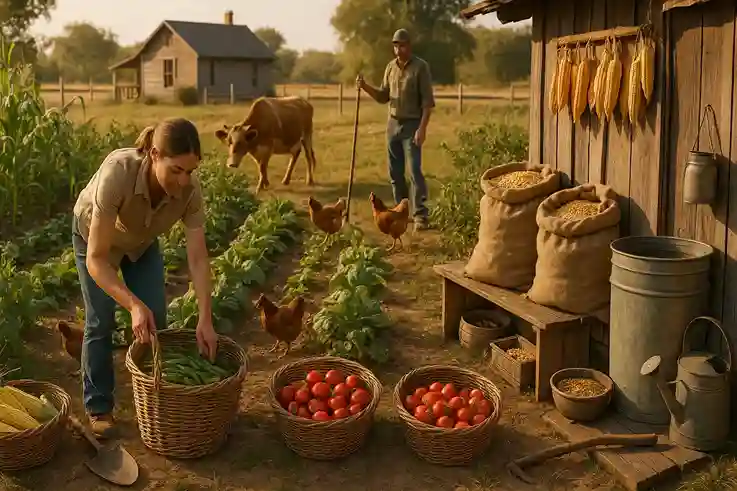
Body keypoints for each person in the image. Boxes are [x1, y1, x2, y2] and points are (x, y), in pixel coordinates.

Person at [72, 118, 218, 438]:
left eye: (190, 171)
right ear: (154, 155)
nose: (183, 180)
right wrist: (131, 304)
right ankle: (99, 406)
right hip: (98, 242)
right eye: (176, 170)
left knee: (156, 316)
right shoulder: (119, 173)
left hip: (141, 244)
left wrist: (205, 319)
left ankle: (156, 397)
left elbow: (197, 257)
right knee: (101, 320)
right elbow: (97, 260)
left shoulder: (189, 191)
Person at [356, 28, 436, 231]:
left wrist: (422, 129)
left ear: (409, 46)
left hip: (412, 125)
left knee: (415, 171)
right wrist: (365, 86)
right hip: (392, 124)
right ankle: (401, 214)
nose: (399, 49)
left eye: (402, 45)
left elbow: (427, 103)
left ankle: (420, 215)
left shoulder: (420, 67)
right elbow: (384, 96)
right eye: (396, 45)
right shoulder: (390, 68)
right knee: (395, 173)